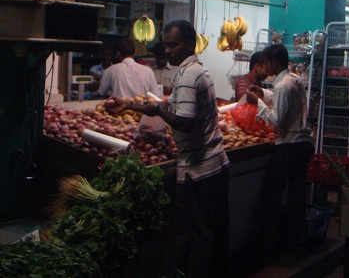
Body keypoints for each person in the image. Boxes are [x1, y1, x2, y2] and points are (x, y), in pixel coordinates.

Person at [110, 20, 230, 278]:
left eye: (173, 45)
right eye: (165, 45)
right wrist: (130, 104)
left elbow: (184, 122)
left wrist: (157, 111)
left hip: (200, 170)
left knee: (198, 236)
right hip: (212, 165)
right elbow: (169, 103)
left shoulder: (188, 75)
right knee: (207, 233)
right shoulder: (196, 70)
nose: (167, 51)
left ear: (189, 44)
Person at [245, 44, 314, 257]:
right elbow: (283, 100)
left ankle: (271, 246)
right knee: (296, 197)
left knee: (274, 196)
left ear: (274, 63)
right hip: (302, 145)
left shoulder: (283, 85)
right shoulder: (294, 79)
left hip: (289, 147)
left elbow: (278, 119)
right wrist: (264, 93)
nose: (265, 68)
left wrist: (258, 102)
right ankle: (296, 243)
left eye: (266, 64)